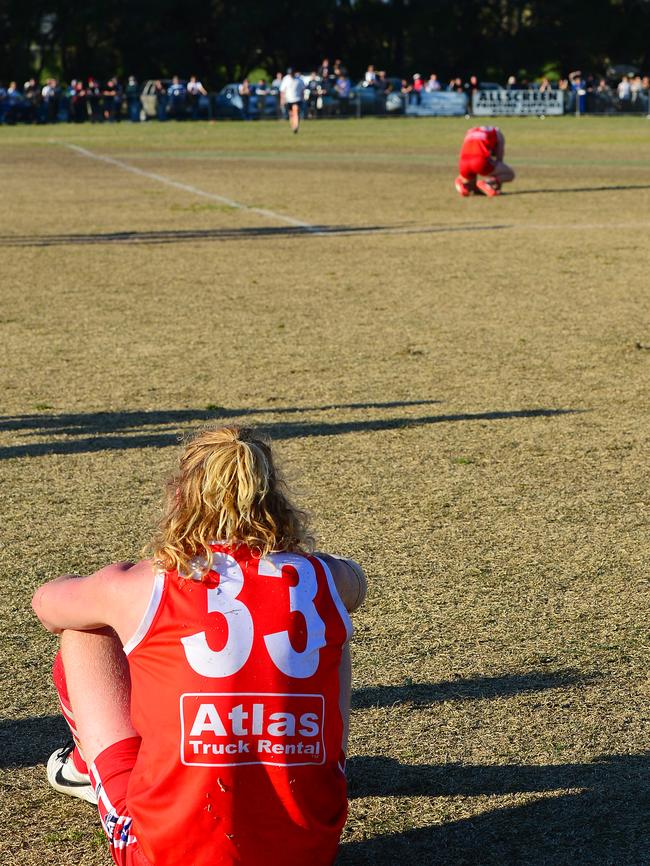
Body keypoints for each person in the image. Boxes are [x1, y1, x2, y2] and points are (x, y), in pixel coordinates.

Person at [32, 426, 366, 866]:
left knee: (84, 629)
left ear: (181, 495)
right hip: (308, 852)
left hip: (168, 854)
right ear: (275, 497)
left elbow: (47, 606)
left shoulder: (141, 585)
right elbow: (355, 584)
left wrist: (112, 584)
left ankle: (89, 766)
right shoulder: (329, 575)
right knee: (333, 623)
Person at [455, 125, 515, 197]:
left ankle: (461, 183)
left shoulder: (471, 131)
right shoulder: (497, 133)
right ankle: (486, 183)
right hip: (480, 162)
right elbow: (499, 159)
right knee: (510, 174)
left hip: (463, 163)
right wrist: (498, 187)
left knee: (472, 181)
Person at [280, 68, 305, 133]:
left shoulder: (299, 80)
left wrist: (302, 97)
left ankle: (296, 126)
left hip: (297, 99)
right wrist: (282, 99)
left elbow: (302, 90)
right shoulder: (286, 79)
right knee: (291, 114)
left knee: (295, 112)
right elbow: (282, 90)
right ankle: (293, 127)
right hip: (288, 100)